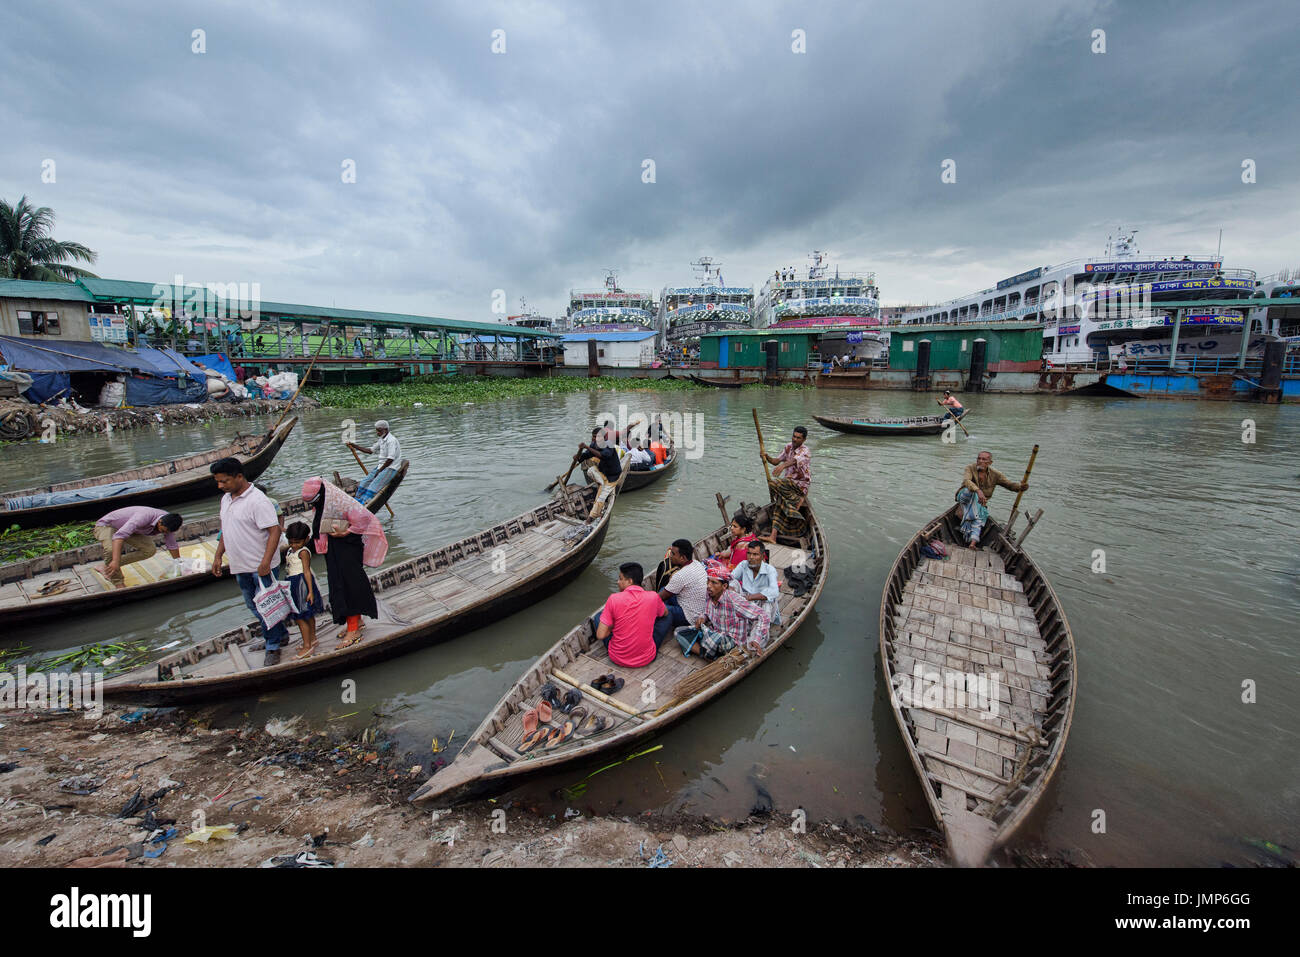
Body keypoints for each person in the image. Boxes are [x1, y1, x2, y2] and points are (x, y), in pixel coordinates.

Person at [210, 458, 290, 666]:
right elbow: (225, 530)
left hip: (260, 565)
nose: (220, 486)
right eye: (218, 482)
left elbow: (274, 531)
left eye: (224, 481)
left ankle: (272, 645)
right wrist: (218, 556)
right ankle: (279, 633)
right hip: (240, 564)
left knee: (265, 606)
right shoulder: (226, 499)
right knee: (253, 605)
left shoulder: (258, 500)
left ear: (239, 476)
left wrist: (265, 562)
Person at [303, 477, 389, 647]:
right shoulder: (323, 503)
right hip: (334, 549)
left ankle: (353, 630)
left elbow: (364, 517)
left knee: (348, 586)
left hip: (347, 548)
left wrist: (346, 532)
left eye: (315, 500)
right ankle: (357, 621)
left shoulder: (341, 501)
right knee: (341, 584)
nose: (315, 504)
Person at [678, 560, 771, 659]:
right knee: (679, 632)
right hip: (715, 634)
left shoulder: (734, 600)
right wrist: (703, 618)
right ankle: (708, 655)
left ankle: (709, 650)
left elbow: (762, 615)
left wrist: (756, 639)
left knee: (713, 639)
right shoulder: (708, 594)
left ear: (724, 586)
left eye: (714, 583)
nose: (709, 586)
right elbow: (706, 612)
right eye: (708, 581)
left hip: (732, 641)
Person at [593, 562, 669, 668]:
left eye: (620, 579)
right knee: (668, 616)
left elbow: (601, 635)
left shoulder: (614, 599)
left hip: (618, 657)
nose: (617, 582)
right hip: (646, 658)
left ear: (630, 581)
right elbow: (665, 613)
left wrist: (613, 628)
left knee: (598, 617)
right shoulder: (653, 597)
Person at [956, 450, 1028, 549]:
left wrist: (1021, 487)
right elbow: (966, 481)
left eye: (984, 459)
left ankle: (972, 543)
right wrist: (978, 490)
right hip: (965, 497)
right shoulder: (970, 468)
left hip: (979, 503)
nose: (980, 461)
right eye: (979, 458)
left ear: (990, 463)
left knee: (979, 515)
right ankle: (972, 535)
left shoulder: (995, 474)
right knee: (971, 493)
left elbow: (1010, 485)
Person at [94, 507, 183, 586]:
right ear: (160, 522)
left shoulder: (170, 522)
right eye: (163, 530)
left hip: (131, 530)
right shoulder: (143, 517)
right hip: (107, 526)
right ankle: (118, 583)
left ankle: (106, 567)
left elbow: (172, 544)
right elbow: (119, 537)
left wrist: (179, 563)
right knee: (111, 550)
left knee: (149, 550)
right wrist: (115, 560)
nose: (164, 533)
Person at [761, 425, 812, 541]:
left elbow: (794, 460)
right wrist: (766, 456)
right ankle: (773, 536)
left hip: (800, 485)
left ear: (804, 440)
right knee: (779, 500)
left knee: (774, 484)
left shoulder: (806, 451)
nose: (795, 439)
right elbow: (775, 461)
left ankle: (798, 498)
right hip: (788, 483)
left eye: (798, 438)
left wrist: (783, 466)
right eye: (794, 436)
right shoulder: (788, 447)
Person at [655, 539, 708, 644]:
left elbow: (659, 597)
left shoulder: (680, 575)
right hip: (698, 607)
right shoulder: (697, 564)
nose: (670, 556)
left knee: (661, 607)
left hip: (690, 617)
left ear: (683, 558)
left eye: (673, 554)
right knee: (663, 590)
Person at [284, 521, 323, 659]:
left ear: (306, 539)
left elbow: (307, 572)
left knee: (301, 616)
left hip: (301, 584)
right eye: (291, 542)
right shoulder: (291, 550)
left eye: (297, 542)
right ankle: (312, 639)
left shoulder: (303, 552)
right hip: (292, 581)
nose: (294, 545)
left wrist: (310, 591)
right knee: (307, 614)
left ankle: (307, 647)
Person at [348, 420, 402, 504]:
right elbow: (370, 450)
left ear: (386, 430)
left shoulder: (391, 440)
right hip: (381, 466)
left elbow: (390, 459)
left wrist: (380, 471)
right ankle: (357, 501)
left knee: (373, 487)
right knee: (363, 483)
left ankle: (364, 503)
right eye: (376, 430)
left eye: (379, 431)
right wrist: (355, 446)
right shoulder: (381, 439)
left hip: (391, 467)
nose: (377, 433)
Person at [730, 540, 782, 626]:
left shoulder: (770, 570)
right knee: (733, 583)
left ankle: (761, 630)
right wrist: (732, 590)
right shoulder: (743, 565)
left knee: (767, 605)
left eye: (755, 554)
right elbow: (730, 578)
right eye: (749, 553)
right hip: (746, 601)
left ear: (762, 556)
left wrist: (749, 597)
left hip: (762, 603)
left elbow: (774, 592)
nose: (751, 557)